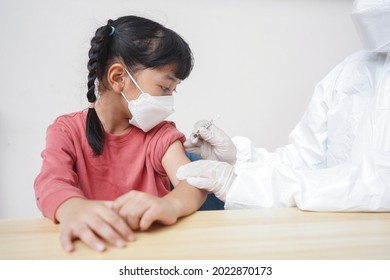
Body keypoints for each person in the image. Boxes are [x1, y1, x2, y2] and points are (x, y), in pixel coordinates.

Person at [177, 0, 390, 212]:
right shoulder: (352, 72)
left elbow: (379, 186)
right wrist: (238, 159)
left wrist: (252, 186)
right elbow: (305, 160)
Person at [34, 15, 207, 253]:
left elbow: (193, 183)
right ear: (118, 78)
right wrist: (72, 207)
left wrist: (170, 205)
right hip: (92, 251)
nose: (169, 100)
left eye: (173, 90)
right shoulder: (66, 131)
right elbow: (51, 183)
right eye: (165, 87)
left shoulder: (159, 134)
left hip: (152, 252)